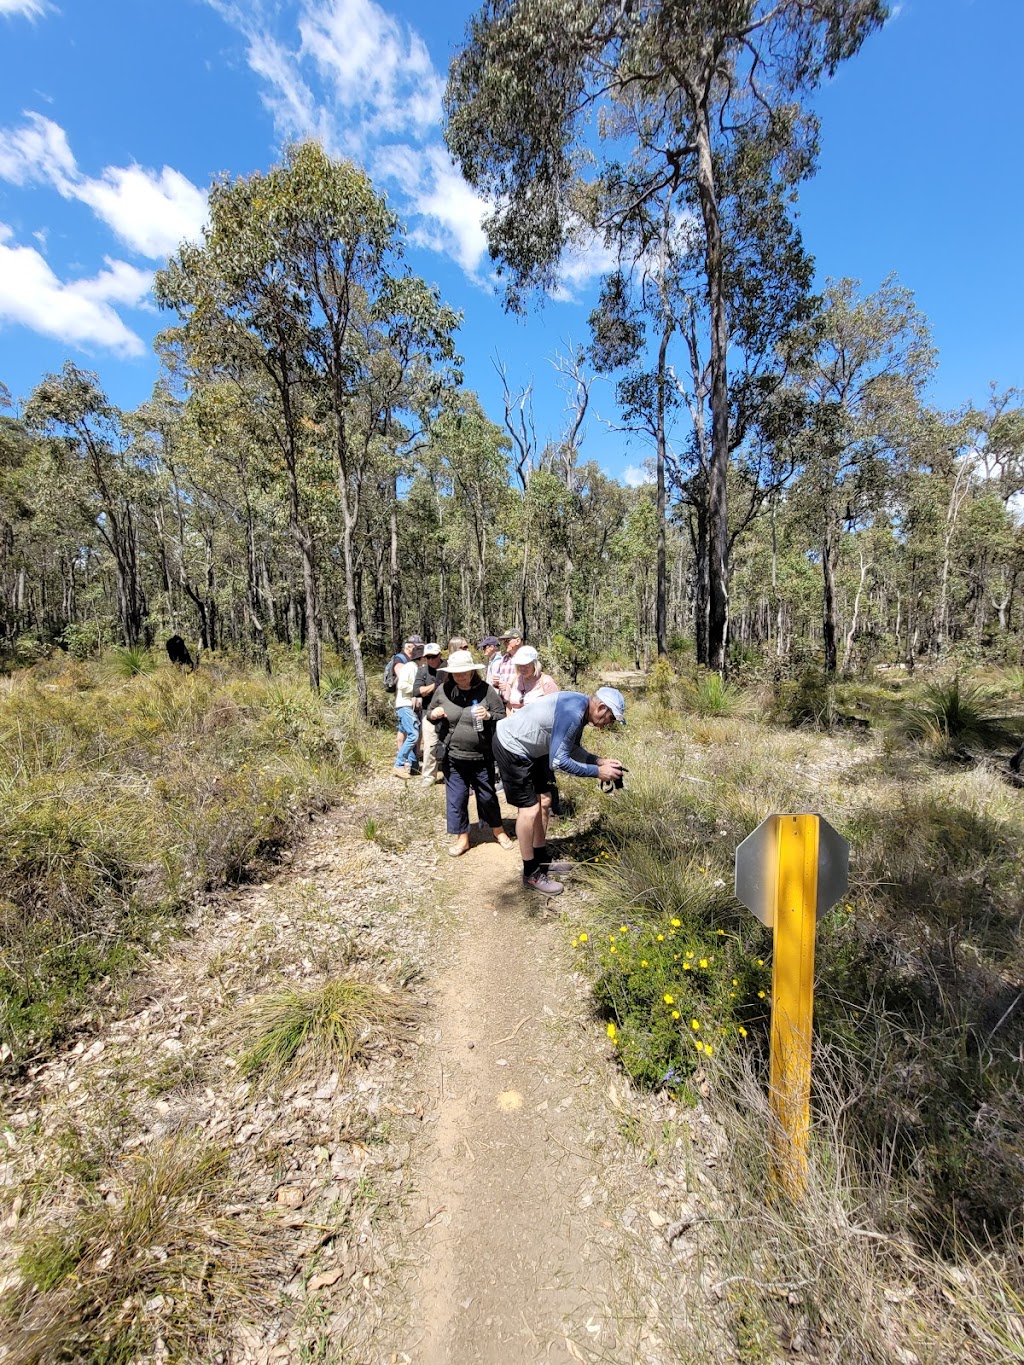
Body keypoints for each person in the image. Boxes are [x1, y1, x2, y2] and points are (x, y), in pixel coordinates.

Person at [493, 687, 627, 895]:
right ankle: (531, 873)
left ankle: (541, 860)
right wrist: (597, 772)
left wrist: (598, 761)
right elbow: (558, 761)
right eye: (611, 718)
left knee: (544, 802)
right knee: (529, 810)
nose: (609, 724)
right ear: (601, 707)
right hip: (512, 746)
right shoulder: (573, 712)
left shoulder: (581, 708)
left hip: (533, 749)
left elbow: (570, 748)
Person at [429, 649, 515, 857]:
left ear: (472, 672)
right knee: (456, 798)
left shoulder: (486, 690)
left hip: (481, 755)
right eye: (456, 673)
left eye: (464, 672)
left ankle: (498, 831)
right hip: (453, 756)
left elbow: (501, 715)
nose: (460, 676)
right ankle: (462, 838)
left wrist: (487, 715)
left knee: (487, 796)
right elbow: (430, 713)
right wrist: (434, 713)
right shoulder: (443, 690)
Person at [414, 643, 445, 785]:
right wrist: (436, 685)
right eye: (428, 657)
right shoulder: (422, 671)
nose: (431, 660)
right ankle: (429, 775)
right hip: (428, 712)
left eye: (434, 657)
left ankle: (450, 772)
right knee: (430, 745)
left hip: (448, 711)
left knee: (449, 743)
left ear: (440, 655)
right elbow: (417, 691)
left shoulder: (448, 667)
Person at [393, 640, 424, 778]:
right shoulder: (410, 667)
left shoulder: (414, 667)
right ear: (421, 658)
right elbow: (402, 685)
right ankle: (399, 765)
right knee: (413, 735)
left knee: (411, 733)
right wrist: (417, 691)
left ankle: (414, 766)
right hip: (404, 705)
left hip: (406, 705)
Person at [506, 644, 559, 713]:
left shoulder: (546, 682)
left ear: (535, 664)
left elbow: (556, 707)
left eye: (527, 665)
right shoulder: (513, 680)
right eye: (519, 665)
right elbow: (508, 706)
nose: (522, 668)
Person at [493, 628, 523, 704]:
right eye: (504, 641)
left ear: (518, 641)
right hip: (504, 703)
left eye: (507, 641)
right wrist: (497, 683)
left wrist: (509, 686)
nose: (505, 644)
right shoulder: (503, 659)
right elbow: (501, 680)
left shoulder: (526, 660)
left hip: (519, 703)